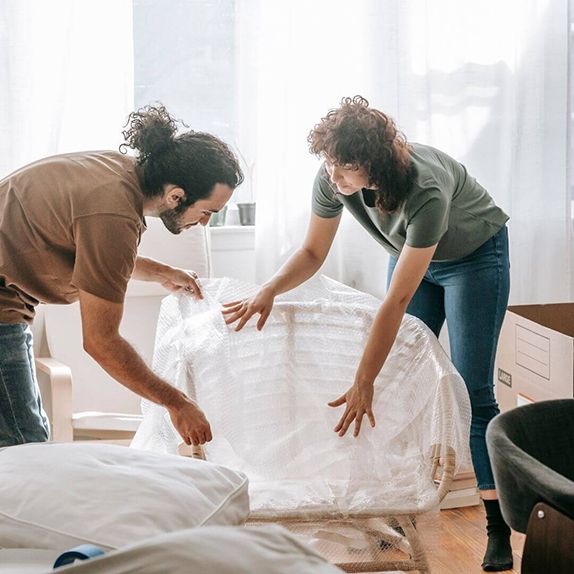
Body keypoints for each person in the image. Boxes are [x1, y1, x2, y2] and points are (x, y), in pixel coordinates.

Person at [223, 96, 513, 571]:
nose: (333, 177)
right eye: (330, 164)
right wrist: (269, 289)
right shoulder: (331, 177)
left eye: (345, 167)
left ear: (374, 164)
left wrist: (363, 380)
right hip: (412, 250)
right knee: (396, 380)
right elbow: (313, 252)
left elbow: (396, 303)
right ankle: (393, 509)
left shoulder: (426, 190)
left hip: (473, 259)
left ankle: (497, 527)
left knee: (473, 388)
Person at [0, 104, 243, 450]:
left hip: (9, 299)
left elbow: (98, 254)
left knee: (27, 446)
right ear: (176, 196)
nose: (205, 222)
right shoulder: (112, 212)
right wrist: (178, 403)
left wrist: (162, 273)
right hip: (3, 303)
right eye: (207, 212)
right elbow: (100, 342)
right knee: (25, 449)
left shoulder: (117, 174)